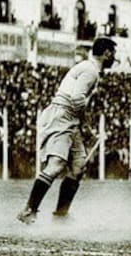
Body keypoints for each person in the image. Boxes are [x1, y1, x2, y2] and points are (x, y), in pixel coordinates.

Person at [16, 38, 116, 224]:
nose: (114, 58)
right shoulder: (90, 71)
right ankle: (29, 210)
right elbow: (76, 99)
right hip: (63, 115)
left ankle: (61, 216)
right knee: (56, 165)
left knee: (78, 167)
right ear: (107, 53)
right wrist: (87, 124)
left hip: (69, 118)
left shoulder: (89, 68)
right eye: (113, 54)